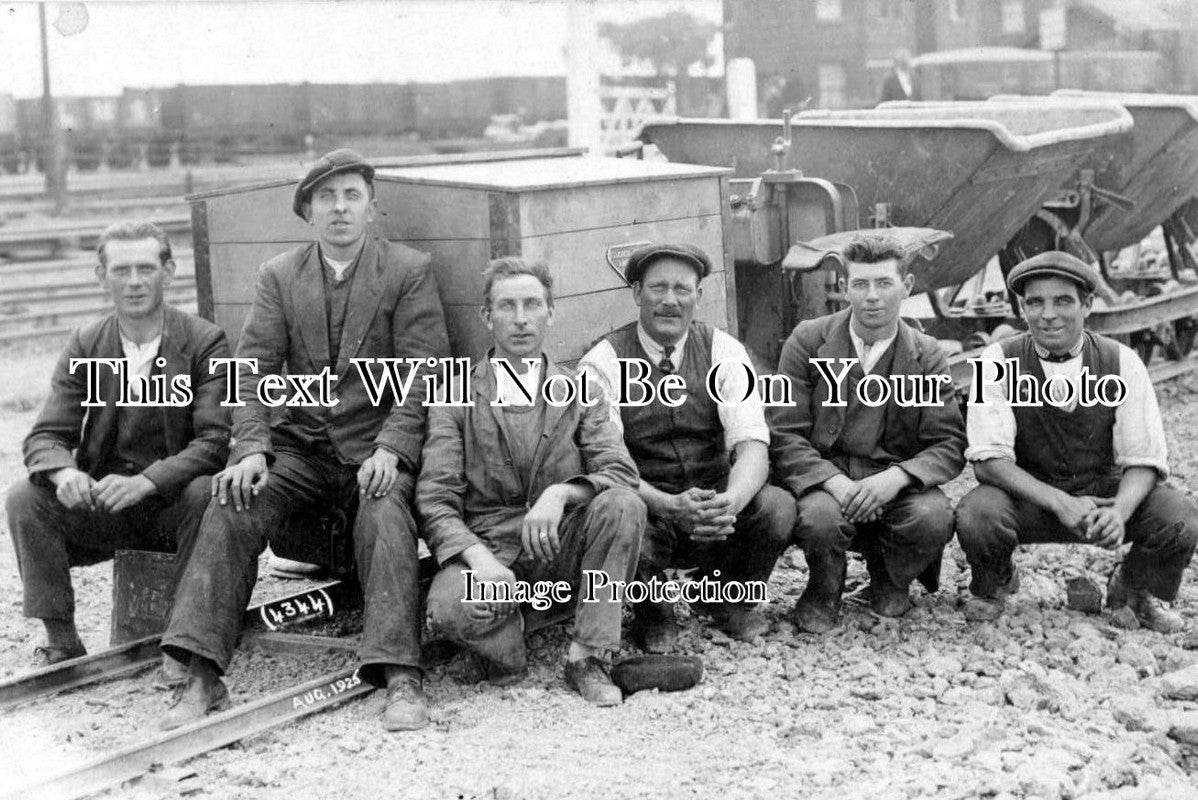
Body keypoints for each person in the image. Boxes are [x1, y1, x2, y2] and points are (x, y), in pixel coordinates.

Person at [159, 149, 451, 731]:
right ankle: (201, 674)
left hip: (374, 451)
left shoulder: (407, 271)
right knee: (231, 499)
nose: (339, 208)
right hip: (301, 453)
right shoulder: (279, 276)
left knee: (385, 511)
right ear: (308, 212)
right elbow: (252, 372)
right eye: (326, 198)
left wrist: (393, 448)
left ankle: (400, 677)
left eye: (351, 196)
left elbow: (426, 374)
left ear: (372, 208)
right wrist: (249, 450)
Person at [419, 257, 646, 707]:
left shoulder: (582, 389)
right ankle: (515, 633)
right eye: (507, 307)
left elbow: (620, 472)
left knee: (623, 505)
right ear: (487, 317)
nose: (521, 319)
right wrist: (480, 561)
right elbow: (435, 498)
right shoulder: (455, 393)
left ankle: (586, 657)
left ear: (550, 312)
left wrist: (562, 493)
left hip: (558, 544)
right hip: (490, 552)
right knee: (449, 610)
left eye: (532, 305)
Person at [6, 221, 230, 666]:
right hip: (106, 507)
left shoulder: (204, 341)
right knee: (25, 497)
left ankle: (185, 640)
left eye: (146, 269)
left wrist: (148, 482)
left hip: (173, 507)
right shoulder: (87, 343)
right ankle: (62, 639)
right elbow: (46, 434)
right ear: (101, 276)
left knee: (207, 493)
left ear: (168, 273)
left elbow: (214, 442)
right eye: (121, 270)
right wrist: (64, 471)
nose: (134, 282)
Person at [955, 251, 1198, 632]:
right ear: (1022, 308)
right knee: (977, 514)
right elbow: (987, 460)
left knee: (1179, 517)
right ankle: (995, 582)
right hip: (1030, 499)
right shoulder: (997, 360)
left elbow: (1145, 458)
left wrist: (1119, 511)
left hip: (1101, 496)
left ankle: (1133, 589)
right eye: (1035, 302)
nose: (1048, 314)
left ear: (1087, 305)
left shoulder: (1123, 362)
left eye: (1063, 301)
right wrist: (1060, 502)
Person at [579, 243, 794, 652]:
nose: (670, 300)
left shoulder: (724, 351)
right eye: (658, 288)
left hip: (711, 506)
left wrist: (729, 502)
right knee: (621, 512)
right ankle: (653, 612)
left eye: (682, 289)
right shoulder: (603, 361)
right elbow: (605, 466)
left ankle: (728, 599)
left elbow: (752, 446)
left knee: (776, 508)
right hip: (649, 505)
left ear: (699, 295)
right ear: (636, 293)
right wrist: (668, 505)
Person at [770, 235, 965, 633]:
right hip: (830, 483)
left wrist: (895, 479)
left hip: (895, 487)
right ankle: (824, 587)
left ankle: (890, 580)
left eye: (884, 283)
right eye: (860, 284)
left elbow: (947, 442)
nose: (872, 297)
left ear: (907, 286)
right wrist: (838, 485)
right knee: (819, 518)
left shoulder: (927, 354)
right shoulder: (808, 341)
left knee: (933, 515)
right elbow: (784, 433)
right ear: (844, 289)